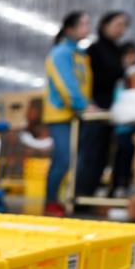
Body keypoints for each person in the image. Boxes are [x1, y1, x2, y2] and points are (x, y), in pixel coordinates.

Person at [43, 11, 92, 217]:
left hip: (74, 115)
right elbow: (66, 84)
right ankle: (50, 201)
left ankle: (62, 200)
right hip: (60, 115)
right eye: (83, 24)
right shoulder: (61, 53)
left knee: (73, 161)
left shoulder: (80, 55)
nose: (88, 28)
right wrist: (82, 105)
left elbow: (83, 85)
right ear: (70, 29)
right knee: (63, 158)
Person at [77, 11, 129, 198]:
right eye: (118, 24)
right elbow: (84, 81)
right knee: (90, 153)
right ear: (104, 25)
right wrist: (87, 103)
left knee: (103, 154)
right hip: (93, 109)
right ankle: (80, 194)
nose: (121, 29)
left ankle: (90, 194)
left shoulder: (117, 51)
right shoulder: (94, 50)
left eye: (124, 26)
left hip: (109, 110)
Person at [111, 41, 135, 197]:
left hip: (130, 124)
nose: (132, 58)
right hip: (118, 123)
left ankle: (124, 183)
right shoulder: (119, 76)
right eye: (129, 55)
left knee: (128, 150)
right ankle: (118, 185)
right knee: (121, 151)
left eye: (134, 55)